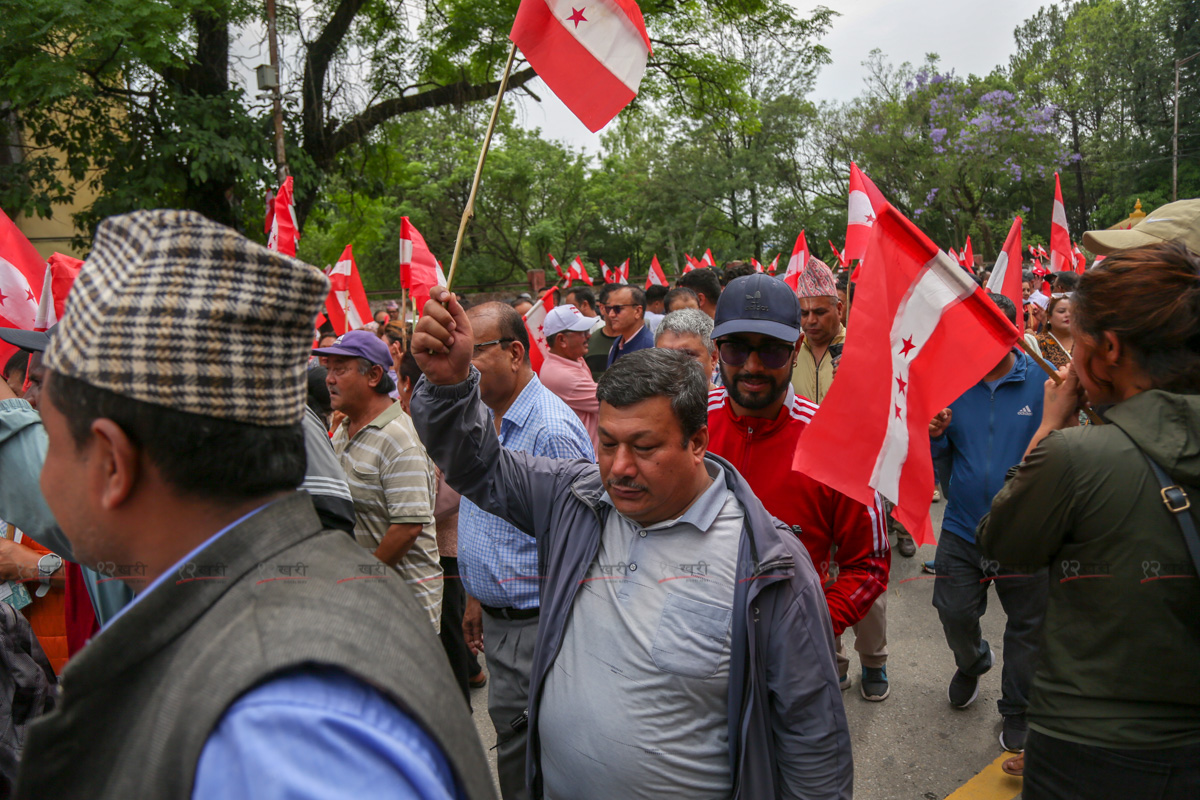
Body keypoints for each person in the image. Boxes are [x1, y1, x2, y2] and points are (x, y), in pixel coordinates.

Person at [13, 209, 494, 800]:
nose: (44, 469)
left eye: (51, 438)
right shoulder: (279, 614)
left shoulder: (275, 730)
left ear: (112, 463)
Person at [410, 290, 853, 799]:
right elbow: (477, 464)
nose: (619, 467)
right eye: (608, 443)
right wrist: (447, 384)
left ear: (697, 442)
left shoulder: (768, 566)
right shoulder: (573, 501)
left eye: (644, 447)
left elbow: (813, 743)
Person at [978, 243, 1200, 796]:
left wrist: (1051, 425)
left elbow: (1002, 541)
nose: (1069, 358)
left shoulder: (1075, 457)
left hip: (1089, 745)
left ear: (1109, 350)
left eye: (1076, 343)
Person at [705, 274, 892, 702]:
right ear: (718, 352)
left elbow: (869, 564)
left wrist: (813, 623)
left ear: (794, 352)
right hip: (696, 653)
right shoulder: (686, 423)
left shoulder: (836, 444)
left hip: (794, 661)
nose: (752, 366)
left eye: (770, 350)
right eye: (736, 348)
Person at [454, 301, 595, 800]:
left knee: (526, 755)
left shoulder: (549, 431)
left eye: (474, 353)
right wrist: (476, 594)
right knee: (517, 742)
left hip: (535, 626)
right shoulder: (489, 416)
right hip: (502, 617)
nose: (461, 365)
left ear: (515, 353)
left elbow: (579, 545)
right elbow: (490, 516)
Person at [928, 292, 1047, 756]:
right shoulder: (950, 381)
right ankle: (973, 661)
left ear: (1010, 330)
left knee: (1028, 626)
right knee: (953, 612)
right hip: (962, 528)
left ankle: (1017, 709)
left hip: (1028, 531)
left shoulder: (1044, 379)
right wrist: (935, 437)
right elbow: (939, 458)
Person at [316, 330, 443, 632]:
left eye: (340, 369)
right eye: (328, 369)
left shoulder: (399, 440)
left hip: (402, 609)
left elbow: (407, 527)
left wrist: (361, 579)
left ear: (373, 375)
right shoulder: (345, 427)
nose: (329, 379)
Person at [396, 350, 485, 703]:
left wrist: (412, 509)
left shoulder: (430, 421)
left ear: (406, 383)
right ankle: (471, 671)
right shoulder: (423, 417)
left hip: (444, 543)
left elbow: (453, 493)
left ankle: (459, 702)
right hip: (443, 538)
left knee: (448, 627)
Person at [537, 304, 599, 450]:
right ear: (562, 340)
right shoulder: (563, 376)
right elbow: (613, 400)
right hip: (588, 457)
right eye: (582, 332)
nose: (588, 336)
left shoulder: (572, 358)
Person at [791, 257, 845, 405]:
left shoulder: (857, 349)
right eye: (804, 314)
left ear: (839, 309)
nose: (811, 320)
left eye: (820, 312)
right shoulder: (790, 352)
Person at [654, 309, 717, 389]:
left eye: (687, 355)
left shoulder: (730, 401)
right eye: (664, 355)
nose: (674, 365)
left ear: (713, 359)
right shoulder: (640, 400)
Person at [604, 286, 653, 367]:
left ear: (637, 311)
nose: (611, 314)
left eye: (617, 309)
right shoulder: (616, 345)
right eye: (609, 309)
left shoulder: (651, 349)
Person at [577, 285, 618, 381]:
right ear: (602, 308)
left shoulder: (641, 342)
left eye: (622, 307)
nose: (616, 313)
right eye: (614, 307)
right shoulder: (589, 341)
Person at [1036, 294, 1074, 368]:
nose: (1068, 315)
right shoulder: (1037, 342)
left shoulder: (1085, 340)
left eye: (1072, 311)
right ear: (1049, 317)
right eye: (1061, 311)